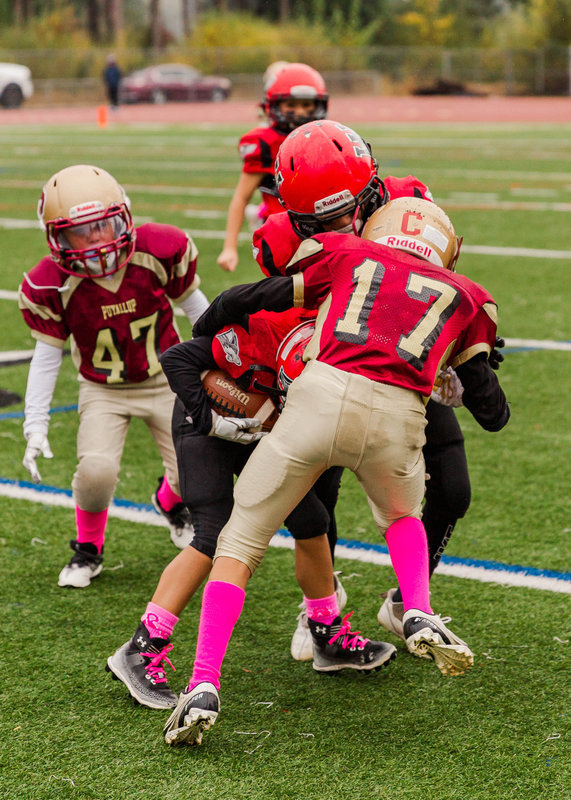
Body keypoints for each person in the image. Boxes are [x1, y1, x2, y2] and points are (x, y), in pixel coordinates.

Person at [162, 193, 510, 747]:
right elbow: (493, 413)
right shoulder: (469, 296)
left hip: (318, 401)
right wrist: (461, 379)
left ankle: (203, 683)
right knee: (401, 514)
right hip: (397, 417)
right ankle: (417, 609)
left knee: (240, 543)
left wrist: (211, 319)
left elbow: (254, 295)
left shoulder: (346, 251)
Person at [251, 119, 497, 654]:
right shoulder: (278, 239)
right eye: (324, 219)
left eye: (350, 209)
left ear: (371, 187)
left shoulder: (407, 199)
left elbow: (439, 277)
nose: (342, 222)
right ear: (294, 214)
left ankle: (408, 600)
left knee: (452, 490)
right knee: (318, 501)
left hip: (403, 368)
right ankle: (321, 613)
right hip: (333, 369)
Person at [105, 306, 394, 710]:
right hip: (209, 423)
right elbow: (178, 358)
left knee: (311, 520)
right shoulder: (260, 335)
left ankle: (325, 632)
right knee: (214, 534)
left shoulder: (340, 346)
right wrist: (208, 419)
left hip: (261, 432)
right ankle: (142, 645)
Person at [19, 164, 210, 588]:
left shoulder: (160, 250)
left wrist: (224, 362)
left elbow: (201, 313)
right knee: (96, 471)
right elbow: (46, 357)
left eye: (103, 226)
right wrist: (35, 422)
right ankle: (88, 550)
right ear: (56, 237)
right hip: (103, 389)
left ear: (123, 217)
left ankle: (169, 501)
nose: (94, 241)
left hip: (167, 379)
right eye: (78, 233)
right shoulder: (50, 284)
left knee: (192, 474)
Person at [216, 62, 328, 273]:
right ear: (274, 105)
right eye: (291, 105)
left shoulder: (325, 136)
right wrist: (229, 248)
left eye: (307, 105)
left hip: (320, 227)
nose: (300, 112)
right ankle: (261, 214)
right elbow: (241, 196)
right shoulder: (265, 143)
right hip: (283, 234)